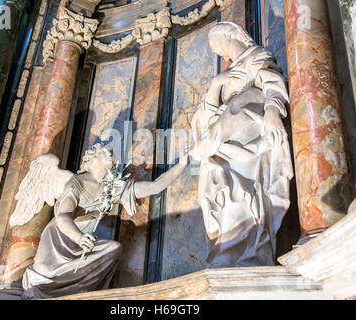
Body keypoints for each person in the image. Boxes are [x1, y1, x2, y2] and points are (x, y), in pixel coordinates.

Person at [22, 144, 188, 299]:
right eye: (106, 150)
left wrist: (181, 164)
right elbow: (63, 216)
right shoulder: (77, 183)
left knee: (113, 249)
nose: (111, 153)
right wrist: (79, 237)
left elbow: (155, 187)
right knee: (44, 276)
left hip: (82, 244)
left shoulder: (114, 187)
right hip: (59, 239)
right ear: (93, 156)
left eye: (112, 153)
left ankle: (83, 293)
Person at [190, 22, 293, 267]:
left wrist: (271, 111)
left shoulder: (257, 57)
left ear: (231, 35)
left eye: (218, 46)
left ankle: (250, 251)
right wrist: (217, 83)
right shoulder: (225, 76)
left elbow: (272, 85)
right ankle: (228, 249)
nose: (220, 54)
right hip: (228, 136)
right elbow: (205, 116)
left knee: (245, 190)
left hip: (250, 128)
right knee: (217, 184)